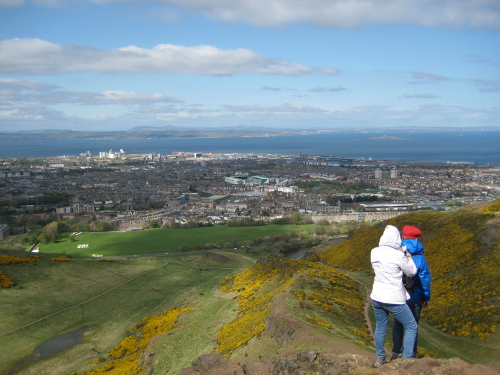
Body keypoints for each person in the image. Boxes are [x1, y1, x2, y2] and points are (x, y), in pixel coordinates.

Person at [370, 225, 418, 367]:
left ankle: (380, 358)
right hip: (393, 297)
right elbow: (411, 272)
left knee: (380, 327)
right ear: (396, 238)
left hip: (377, 296)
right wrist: (408, 257)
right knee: (411, 326)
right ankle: (407, 361)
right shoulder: (398, 255)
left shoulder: (374, 252)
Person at [391, 225, 431, 360]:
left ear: (403, 237)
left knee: (398, 323)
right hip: (415, 297)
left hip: (399, 295)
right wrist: (426, 297)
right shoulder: (420, 258)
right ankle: (410, 356)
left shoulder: (396, 253)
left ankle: (396, 353)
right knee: (412, 326)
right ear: (417, 239)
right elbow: (424, 279)